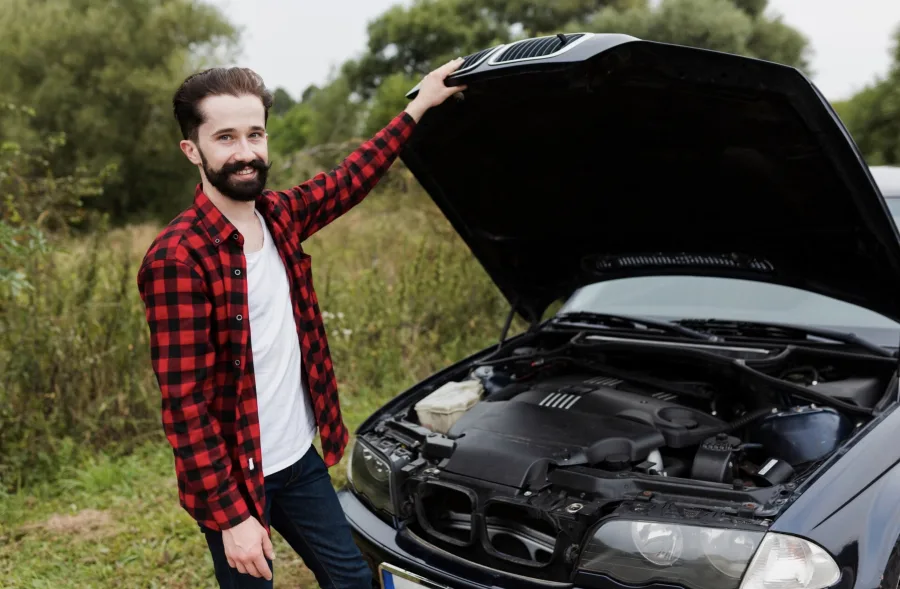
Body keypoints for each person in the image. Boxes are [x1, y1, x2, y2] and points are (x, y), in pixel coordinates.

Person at [136, 59, 466, 588]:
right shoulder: (178, 258)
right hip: (235, 481)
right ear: (192, 150)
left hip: (297, 460)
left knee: (353, 580)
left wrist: (421, 103)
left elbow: (350, 179)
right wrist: (231, 519)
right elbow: (184, 405)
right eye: (225, 137)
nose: (246, 152)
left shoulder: (280, 215)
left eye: (255, 133)